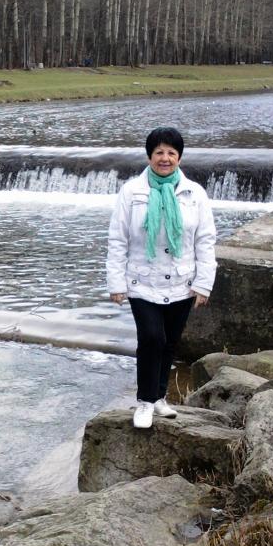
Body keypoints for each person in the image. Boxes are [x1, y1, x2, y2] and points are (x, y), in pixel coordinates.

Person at [106, 126, 217, 429]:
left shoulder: (194, 193)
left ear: (179, 157)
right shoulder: (132, 191)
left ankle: (159, 397)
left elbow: (205, 240)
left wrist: (204, 283)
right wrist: (116, 283)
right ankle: (144, 401)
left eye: (171, 152)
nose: (165, 158)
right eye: (159, 152)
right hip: (142, 282)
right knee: (151, 338)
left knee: (169, 343)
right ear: (149, 156)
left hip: (182, 282)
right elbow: (118, 239)